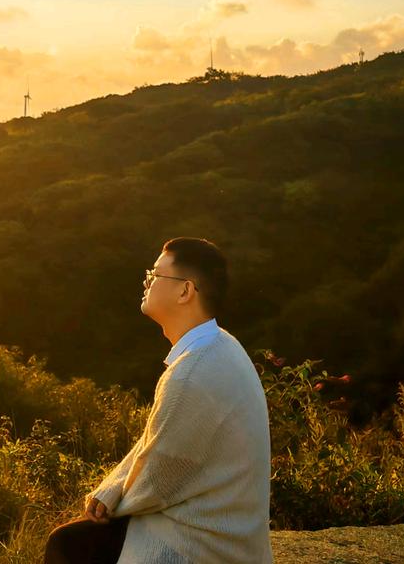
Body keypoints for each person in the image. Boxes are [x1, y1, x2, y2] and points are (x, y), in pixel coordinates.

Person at [44, 237, 273, 564]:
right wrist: (111, 488)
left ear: (185, 291)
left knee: (68, 545)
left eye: (155, 276)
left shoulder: (192, 373)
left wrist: (112, 503)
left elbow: (158, 479)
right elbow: (154, 445)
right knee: (73, 540)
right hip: (228, 530)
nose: (147, 283)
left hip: (204, 543)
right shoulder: (219, 344)